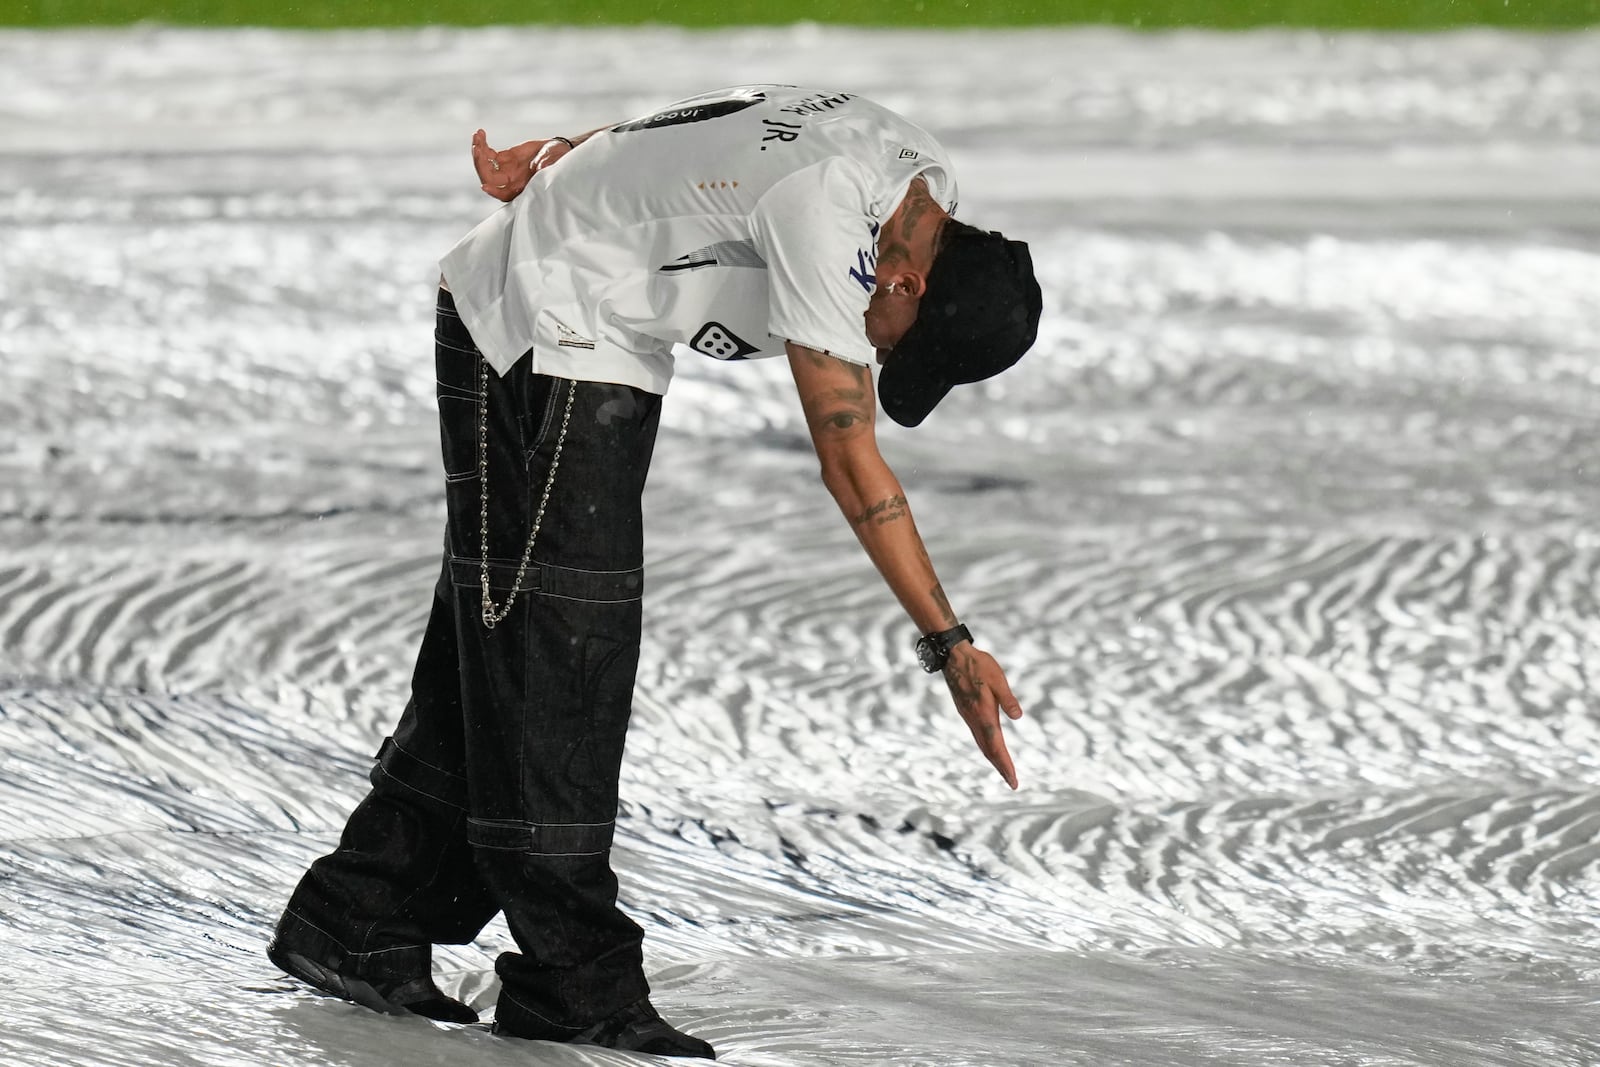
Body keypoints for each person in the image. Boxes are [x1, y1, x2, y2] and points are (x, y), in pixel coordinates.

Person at [266, 84, 1042, 1059]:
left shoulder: (911, 169)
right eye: (903, 351)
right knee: (564, 661)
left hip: (579, 330)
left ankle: (359, 915)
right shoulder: (825, 216)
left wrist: (566, 150)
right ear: (907, 286)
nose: (884, 358)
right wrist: (950, 642)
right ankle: (571, 983)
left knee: (508, 643)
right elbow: (850, 455)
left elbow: (702, 132)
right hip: (543, 332)